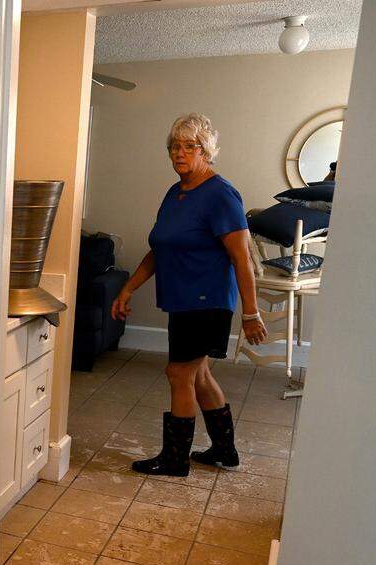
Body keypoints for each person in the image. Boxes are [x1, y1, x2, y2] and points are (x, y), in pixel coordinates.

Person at [111, 113, 267, 477]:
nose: (180, 153)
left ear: (206, 151)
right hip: (182, 300)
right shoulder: (176, 192)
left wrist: (251, 313)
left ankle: (175, 459)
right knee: (197, 377)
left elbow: (241, 258)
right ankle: (224, 451)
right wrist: (129, 287)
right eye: (174, 146)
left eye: (190, 146)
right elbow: (160, 248)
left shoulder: (221, 194)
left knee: (178, 374)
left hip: (207, 300)